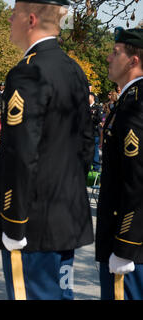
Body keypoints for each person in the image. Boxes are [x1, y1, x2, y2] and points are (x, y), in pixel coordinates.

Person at [0, 0, 94, 300]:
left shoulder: (27, 72)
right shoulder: (73, 70)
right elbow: (86, 146)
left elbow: (20, 153)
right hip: (63, 218)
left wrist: (14, 221)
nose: (9, 18)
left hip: (31, 227)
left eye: (15, 13)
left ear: (31, 19)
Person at [96, 27, 143, 300]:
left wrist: (125, 246)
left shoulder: (134, 105)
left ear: (133, 61)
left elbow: (137, 182)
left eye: (116, 53)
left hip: (129, 247)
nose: (108, 59)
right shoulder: (127, 100)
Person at [89, 93, 102, 172]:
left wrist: (91, 117)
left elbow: (99, 118)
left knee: (95, 150)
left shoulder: (97, 107)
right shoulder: (84, 106)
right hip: (86, 131)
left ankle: (96, 167)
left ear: (91, 97)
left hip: (94, 131)